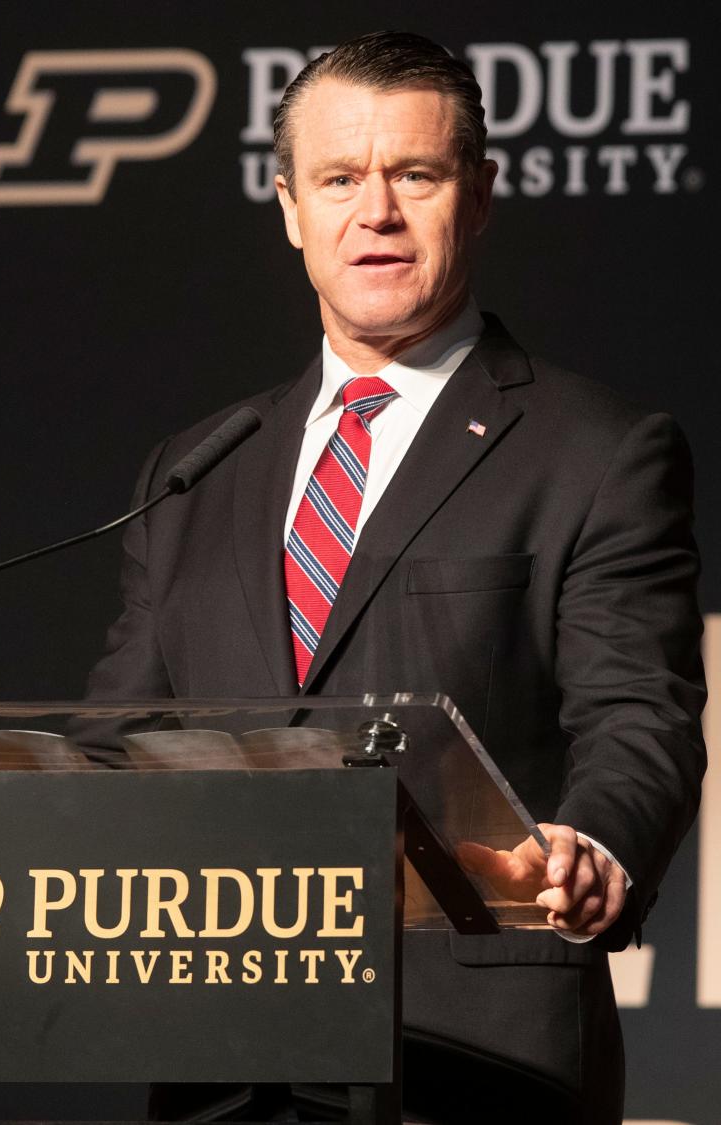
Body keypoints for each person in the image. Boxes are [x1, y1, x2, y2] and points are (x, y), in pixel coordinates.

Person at [85, 31, 705, 1124]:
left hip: (472, 1067)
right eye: (337, 179)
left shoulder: (598, 451)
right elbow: (115, 740)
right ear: (288, 208)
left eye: (413, 174)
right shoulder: (197, 469)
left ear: (479, 194)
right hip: (224, 1065)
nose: (374, 211)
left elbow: (639, 719)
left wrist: (593, 851)